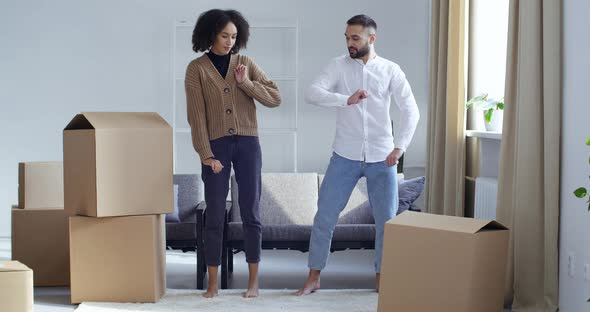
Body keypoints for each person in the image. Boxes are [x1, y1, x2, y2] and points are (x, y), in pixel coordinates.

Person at [295, 14, 419, 296]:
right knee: (325, 216)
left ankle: (382, 281)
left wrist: (400, 147)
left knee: (386, 222)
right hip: (344, 155)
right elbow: (311, 93)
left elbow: (411, 109)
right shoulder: (338, 66)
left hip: (382, 157)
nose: (349, 43)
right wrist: (344, 99)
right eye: (347, 37)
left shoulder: (390, 70)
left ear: (371, 39)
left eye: (355, 38)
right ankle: (314, 277)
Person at [185, 9, 281, 298]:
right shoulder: (197, 69)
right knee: (214, 214)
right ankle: (212, 283)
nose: (230, 42)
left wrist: (246, 84)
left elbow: (275, 97)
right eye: (225, 35)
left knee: (251, 211)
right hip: (217, 148)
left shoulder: (245, 64)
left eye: (234, 36)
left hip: (248, 144)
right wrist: (206, 154)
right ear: (211, 34)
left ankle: (253, 282)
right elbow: (196, 115)